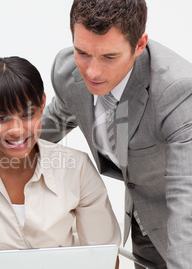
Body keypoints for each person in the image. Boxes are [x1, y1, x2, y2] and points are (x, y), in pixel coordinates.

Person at [40, 0, 192, 268]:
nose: (92, 72)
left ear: (140, 45)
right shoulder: (68, 73)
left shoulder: (176, 91)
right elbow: (46, 128)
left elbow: (186, 194)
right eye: (82, 52)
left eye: (109, 57)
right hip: (143, 221)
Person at [0, 56, 121, 253]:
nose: (15, 130)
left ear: (42, 105)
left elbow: (103, 256)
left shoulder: (77, 168)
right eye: (1, 117)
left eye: (27, 115)